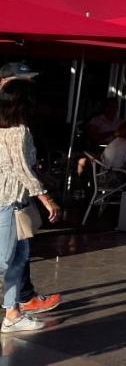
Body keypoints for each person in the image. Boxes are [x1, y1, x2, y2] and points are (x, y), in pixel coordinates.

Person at [0, 77, 63, 333]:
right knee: (6, 262)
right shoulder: (19, 131)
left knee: (16, 260)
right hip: (10, 203)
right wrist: (47, 199)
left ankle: (13, 313)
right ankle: (12, 313)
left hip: (12, 203)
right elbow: (23, 170)